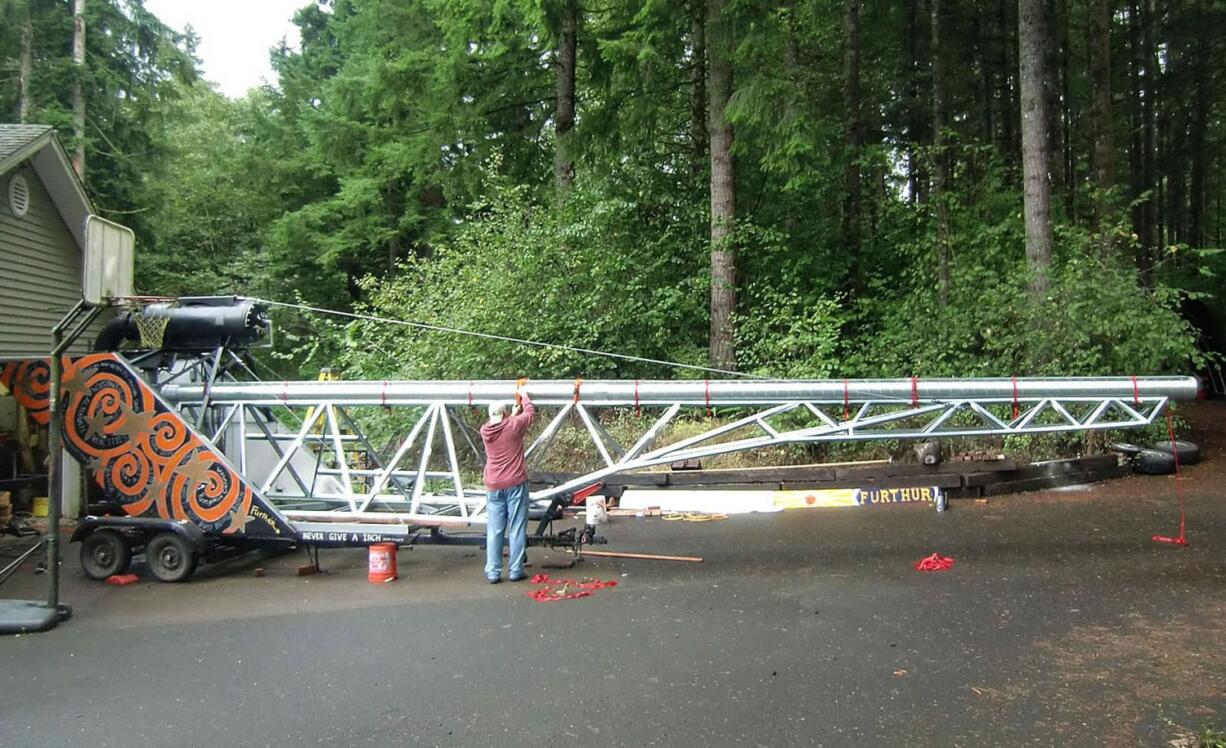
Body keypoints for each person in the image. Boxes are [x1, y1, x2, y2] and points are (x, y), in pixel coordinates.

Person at [479, 383, 535, 583]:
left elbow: (504, 426)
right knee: (517, 527)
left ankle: (493, 572)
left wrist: (512, 414)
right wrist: (524, 396)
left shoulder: (485, 430)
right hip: (515, 484)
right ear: (504, 415)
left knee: (495, 530)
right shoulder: (513, 426)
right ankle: (515, 570)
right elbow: (529, 413)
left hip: (493, 485)